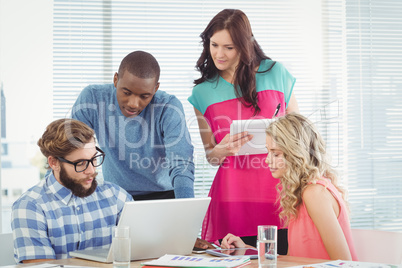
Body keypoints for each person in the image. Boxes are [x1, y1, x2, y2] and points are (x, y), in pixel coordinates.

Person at [188, 9, 298, 252]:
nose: (219, 53)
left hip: (280, 192)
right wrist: (221, 149)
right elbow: (211, 157)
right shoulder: (202, 93)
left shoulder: (276, 73)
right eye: (214, 44)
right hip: (233, 196)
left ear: (245, 45)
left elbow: (300, 135)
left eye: (229, 47)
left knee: (287, 259)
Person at [221, 113, 358, 260]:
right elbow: (291, 258)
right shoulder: (300, 193)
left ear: (296, 153)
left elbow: (344, 262)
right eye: (268, 151)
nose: (267, 160)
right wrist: (247, 250)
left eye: (276, 154)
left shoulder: (315, 193)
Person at [71, 50, 195, 200]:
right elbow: (72, 150)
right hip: (115, 195)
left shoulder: (168, 107)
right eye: (126, 92)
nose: (133, 104)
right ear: (116, 79)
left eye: (144, 96)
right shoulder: (92, 98)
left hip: (164, 195)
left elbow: (181, 163)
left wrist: (185, 209)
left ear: (155, 89)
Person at [11, 119, 133, 263]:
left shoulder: (116, 196)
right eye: (80, 163)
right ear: (54, 163)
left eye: (94, 159)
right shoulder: (30, 207)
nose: (92, 170)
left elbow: (142, 254)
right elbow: (42, 267)